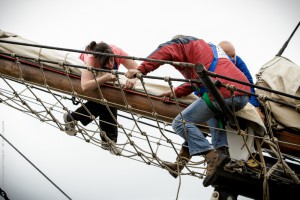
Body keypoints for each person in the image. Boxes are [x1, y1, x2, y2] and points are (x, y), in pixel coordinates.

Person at [125, 36, 250, 187]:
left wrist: (140, 70)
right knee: (213, 116)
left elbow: (165, 49)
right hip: (239, 97)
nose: (175, 65)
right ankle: (222, 157)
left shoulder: (184, 43)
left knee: (180, 122)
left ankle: (211, 157)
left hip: (222, 92)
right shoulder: (206, 52)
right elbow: (195, 83)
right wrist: (175, 93)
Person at [64, 41, 139, 155]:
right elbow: (85, 86)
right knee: (109, 97)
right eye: (106, 62)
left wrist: (133, 80)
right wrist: (105, 78)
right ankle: (108, 141)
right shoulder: (91, 60)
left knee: (110, 96)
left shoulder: (118, 52)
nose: (110, 64)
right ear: (98, 60)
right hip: (91, 76)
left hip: (105, 77)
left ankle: (72, 117)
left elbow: (138, 70)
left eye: (112, 60)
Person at [218, 41, 265, 121]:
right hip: (220, 98)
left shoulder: (238, 61)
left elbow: (249, 84)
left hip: (239, 97)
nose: (233, 59)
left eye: (234, 55)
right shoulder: (215, 63)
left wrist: (254, 106)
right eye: (230, 56)